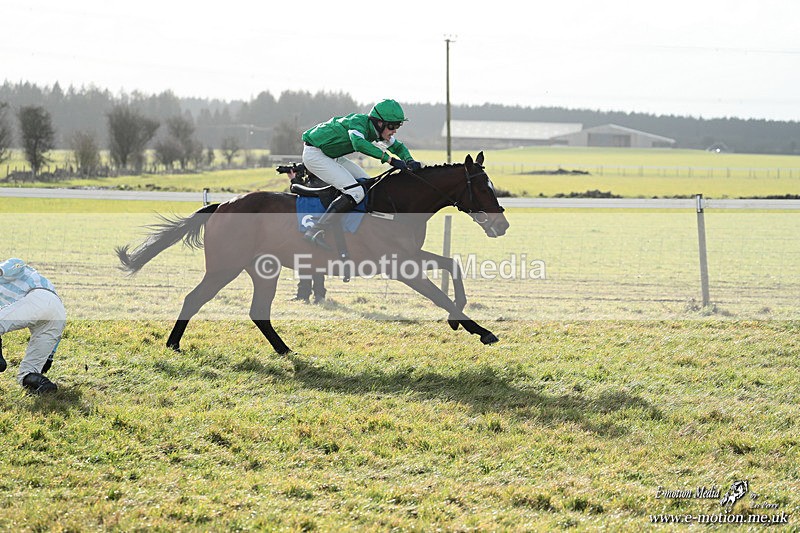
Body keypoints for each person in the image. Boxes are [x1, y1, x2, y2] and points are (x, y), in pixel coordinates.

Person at [301, 99, 422, 249]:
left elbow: (397, 147)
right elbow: (358, 143)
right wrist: (389, 160)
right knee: (356, 192)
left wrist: (409, 160)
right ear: (379, 123)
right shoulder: (358, 122)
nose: (395, 130)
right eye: (392, 126)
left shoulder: (377, 131)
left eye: (398, 125)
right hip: (315, 154)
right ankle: (315, 230)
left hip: (332, 155)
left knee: (368, 184)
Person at [0, 258, 65, 394]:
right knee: (26, 373)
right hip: (57, 312)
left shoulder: (7, 269)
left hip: (39, 296)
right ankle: (45, 386)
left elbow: (18, 263)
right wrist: (50, 355)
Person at [284, 166, 326, 303]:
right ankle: (308, 294)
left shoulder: (319, 181)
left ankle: (315, 294)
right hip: (310, 224)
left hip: (313, 224)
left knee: (313, 261)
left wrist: (294, 180)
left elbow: (304, 192)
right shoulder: (320, 178)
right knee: (307, 261)